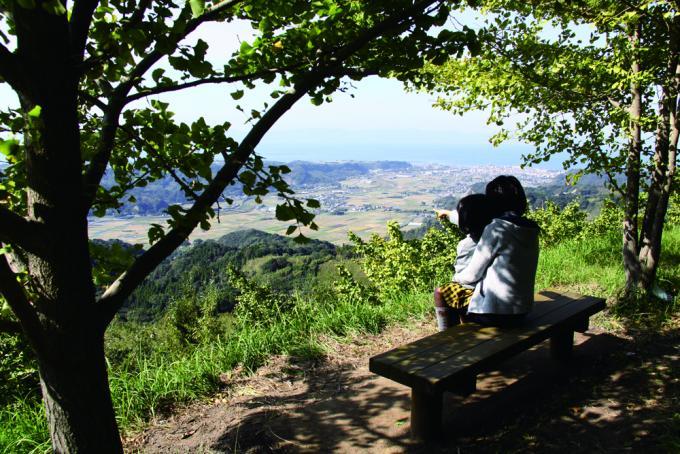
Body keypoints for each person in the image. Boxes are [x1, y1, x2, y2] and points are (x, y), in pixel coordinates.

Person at [453, 175, 540, 328]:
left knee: (443, 292)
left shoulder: (496, 228)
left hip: (494, 314)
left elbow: (472, 275)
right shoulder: (531, 229)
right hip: (523, 311)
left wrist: (456, 278)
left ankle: (451, 339)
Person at [433, 193, 495, 331]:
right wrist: (448, 214)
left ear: (464, 226)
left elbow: (466, 279)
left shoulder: (467, 245)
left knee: (442, 292)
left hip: (482, 297)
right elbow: (470, 218)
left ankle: (448, 335)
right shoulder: (497, 232)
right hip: (501, 296)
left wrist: (455, 279)